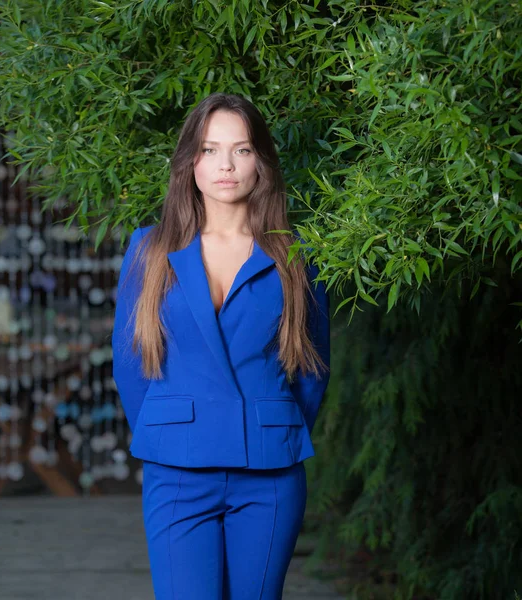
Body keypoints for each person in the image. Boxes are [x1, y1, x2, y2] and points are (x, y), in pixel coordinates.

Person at [112, 93, 330, 600]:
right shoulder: (149, 250)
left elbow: (313, 368)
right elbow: (130, 366)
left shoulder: (299, 256)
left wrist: (271, 426)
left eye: (242, 150)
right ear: (190, 162)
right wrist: (169, 433)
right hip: (178, 470)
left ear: (262, 163)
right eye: (210, 150)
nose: (226, 165)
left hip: (269, 472)